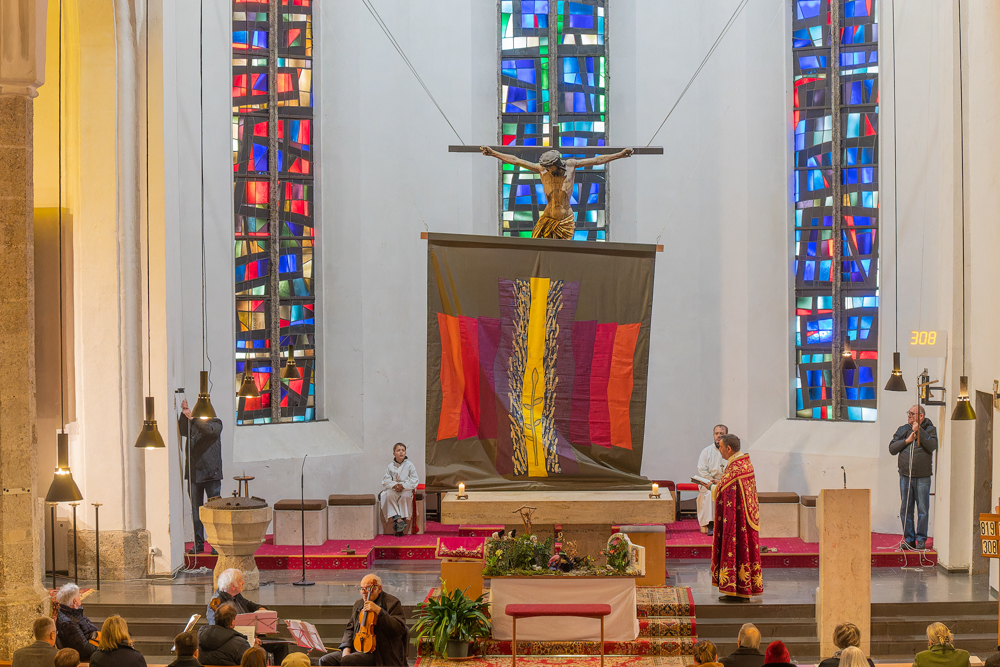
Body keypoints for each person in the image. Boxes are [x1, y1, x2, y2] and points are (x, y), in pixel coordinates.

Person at [479, 146, 634, 239]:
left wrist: (620, 154)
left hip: (565, 220)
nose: (547, 170)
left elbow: (598, 160)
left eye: (549, 167)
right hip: (547, 218)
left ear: (557, 164)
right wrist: (493, 153)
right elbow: (516, 161)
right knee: (538, 250)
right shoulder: (542, 170)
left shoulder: (572, 166)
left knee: (563, 256)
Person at [710, 433, 763, 602]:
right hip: (743, 519)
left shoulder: (735, 469)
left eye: (721, 447)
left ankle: (736, 589)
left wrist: (711, 487)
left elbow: (725, 491)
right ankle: (742, 588)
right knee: (744, 551)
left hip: (736, 522)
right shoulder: (744, 463)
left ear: (729, 448)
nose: (719, 451)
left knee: (735, 548)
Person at [318, 574, 408, 666]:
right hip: (356, 647)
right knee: (325, 660)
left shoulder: (392, 602)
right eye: (362, 589)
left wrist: (379, 611)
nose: (365, 592)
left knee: (348, 661)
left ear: (379, 589)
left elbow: (399, 628)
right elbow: (350, 628)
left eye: (369, 588)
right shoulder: (359, 604)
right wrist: (346, 648)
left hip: (380, 653)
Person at [207, 568, 287, 663]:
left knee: (282, 644)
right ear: (232, 585)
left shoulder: (235, 595)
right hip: (235, 642)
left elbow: (248, 604)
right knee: (266, 652)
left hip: (249, 636)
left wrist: (260, 608)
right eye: (240, 580)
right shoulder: (217, 603)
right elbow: (218, 631)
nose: (243, 582)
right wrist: (248, 638)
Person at [889, 405, 939, 550]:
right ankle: (909, 539)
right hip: (905, 475)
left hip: (922, 477)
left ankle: (921, 539)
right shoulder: (903, 429)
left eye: (912, 413)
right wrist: (907, 440)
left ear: (921, 416)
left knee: (922, 508)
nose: (909, 416)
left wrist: (920, 432)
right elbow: (892, 448)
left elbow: (932, 445)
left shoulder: (930, 429)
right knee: (905, 508)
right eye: (908, 413)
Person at [179, 397, 224, 555]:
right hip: (194, 474)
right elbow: (183, 431)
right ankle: (198, 544)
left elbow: (208, 431)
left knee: (213, 512)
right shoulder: (194, 423)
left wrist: (194, 418)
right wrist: (184, 415)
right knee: (196, 512)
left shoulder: (216, 423)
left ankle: (215, 545)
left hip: (211, 474)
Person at [380, 443, 420, 537]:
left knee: (405, 496)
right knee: (388, 494)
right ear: (394, 453)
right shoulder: (390, 466)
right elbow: (386, 480)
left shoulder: (410, 465)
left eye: (403, 450)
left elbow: (414, 480)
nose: (401, 452)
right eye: (398, 450)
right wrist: (394, 485)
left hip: (406, 488)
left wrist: (403, 485)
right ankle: (399, 520)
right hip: (394, 488)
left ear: (405, 453)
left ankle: (399, 519)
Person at [696, 424, 728, 535]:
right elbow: (702, 469)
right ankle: (712, 524)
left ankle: (727, 524)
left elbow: (733, 469)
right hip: (709, 481)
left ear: (726, 435)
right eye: (716, 433)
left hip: (726, 482)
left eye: (721, 434)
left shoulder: (729, 451)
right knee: (711, 492)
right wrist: (712, 480)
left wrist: (722, 481)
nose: (719, 436)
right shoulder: (706, 451)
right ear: (713, 435)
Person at [55, 583, 100, 662]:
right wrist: (103, 649)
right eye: (79, 596)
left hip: (93, 640)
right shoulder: (68, 623)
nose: (80, 597)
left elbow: (89, 627)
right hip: (85, 656)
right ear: (74, 601)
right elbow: (84, 649)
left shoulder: (74, 611)